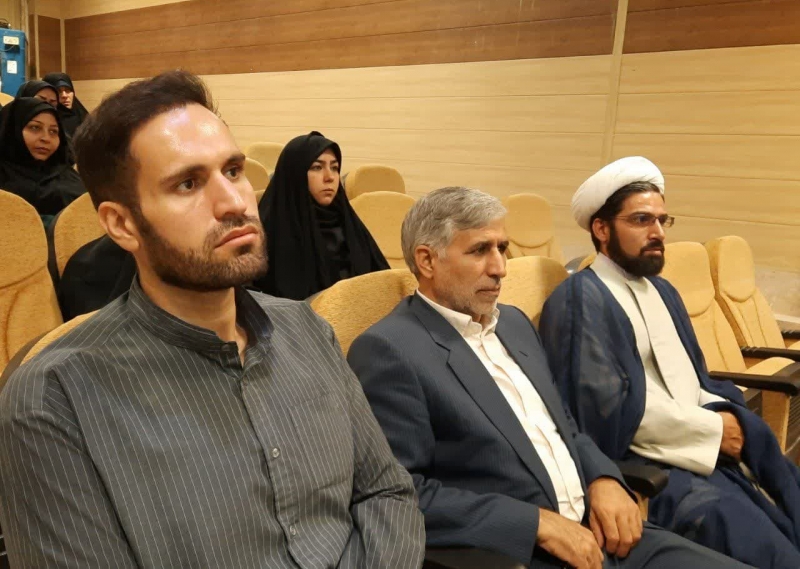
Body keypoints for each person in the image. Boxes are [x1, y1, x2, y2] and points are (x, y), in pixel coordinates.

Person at [0, 70, 424, 568]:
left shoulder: (309, 329)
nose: (235, 202)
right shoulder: (53, 400)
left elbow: (386, 492)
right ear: (122, 224)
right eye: (188, 183)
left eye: (234, 170)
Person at [348, 186, 748, 569]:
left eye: (502, 248)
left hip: (602, 531)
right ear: (427, 260)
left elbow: (564, 427)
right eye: (480, 250)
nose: (500, 268)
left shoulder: (514, 324)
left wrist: (603, 478)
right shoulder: (391, 349)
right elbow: (400, 493)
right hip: (523, 555)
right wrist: (534, 523)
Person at [539, 156, 800, 569]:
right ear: (601, 229)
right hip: (650, 471)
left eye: (662, 220)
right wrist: (715, 430)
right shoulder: (582, 300)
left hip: (699, 449)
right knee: (771, 550)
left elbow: (695, 379)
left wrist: (725, 420)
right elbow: (601, 417)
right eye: (641, 220)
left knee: (785, 516)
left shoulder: (662, 291)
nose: (658, 232)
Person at [253, 132, 389, 300]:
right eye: (317, 167)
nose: (329, 177)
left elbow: (381, 283)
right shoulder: (268, 232)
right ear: (295, 173)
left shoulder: (348, 223)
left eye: (335, 168)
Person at [0, 97, 84, 226]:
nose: (46, 138)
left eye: (53, 131)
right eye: (35, 127)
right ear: (11, 130)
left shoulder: (67, 176)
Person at [43, 72, 89, 139]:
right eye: (58, 91)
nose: (64, 95)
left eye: (68, 90)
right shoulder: (45, 121)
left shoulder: (83, 117)